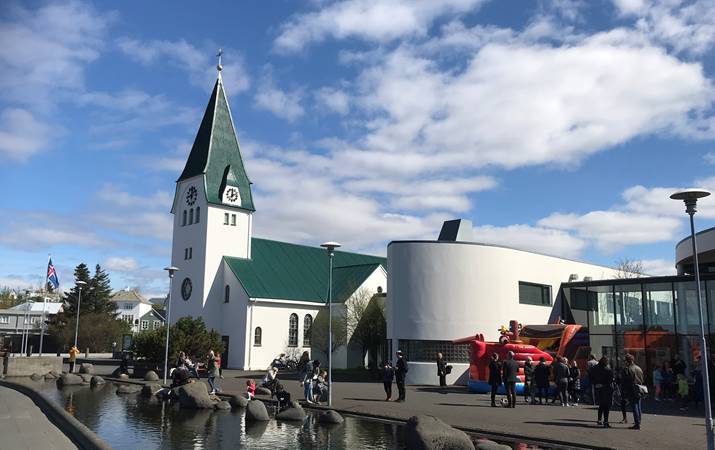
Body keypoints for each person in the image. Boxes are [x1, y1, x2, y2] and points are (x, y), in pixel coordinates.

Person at [622, 353, 644, 430]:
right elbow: (642, 379)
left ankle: (637, 423)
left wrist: (624, 392)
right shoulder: (638, 368)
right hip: (639, 388)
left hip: (632, 389)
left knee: (634, 406)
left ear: (627, 361)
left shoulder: (628, 369)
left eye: (625, 361)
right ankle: (638, 422)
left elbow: (625, 381)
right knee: (638, 406)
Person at [590, 356, 614, 428]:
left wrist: (595, 383)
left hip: (598, 388)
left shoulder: (594, 368)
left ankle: (599, 419)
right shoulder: (608, 369)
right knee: (606, 406)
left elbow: (590, 376)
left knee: (601, 405)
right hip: (606, 389)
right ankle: (606, 421)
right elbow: (610, 380)